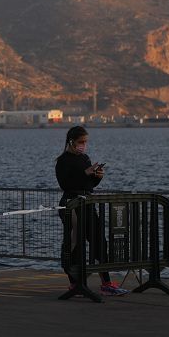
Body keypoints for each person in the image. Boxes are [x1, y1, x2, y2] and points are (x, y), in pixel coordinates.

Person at [55, 126, 128, 297]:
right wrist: (85, 173)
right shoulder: (63, 161)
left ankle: (106, 282)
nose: (84, 145)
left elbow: (88, 185)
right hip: (71, 204)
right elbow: (65, 185)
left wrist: (97, 176)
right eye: (81, 142)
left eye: (86, 142)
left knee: (99, 242)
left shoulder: (85, 158)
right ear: (72, 141)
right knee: (74, 243)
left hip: (88, 203)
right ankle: (74, 282)